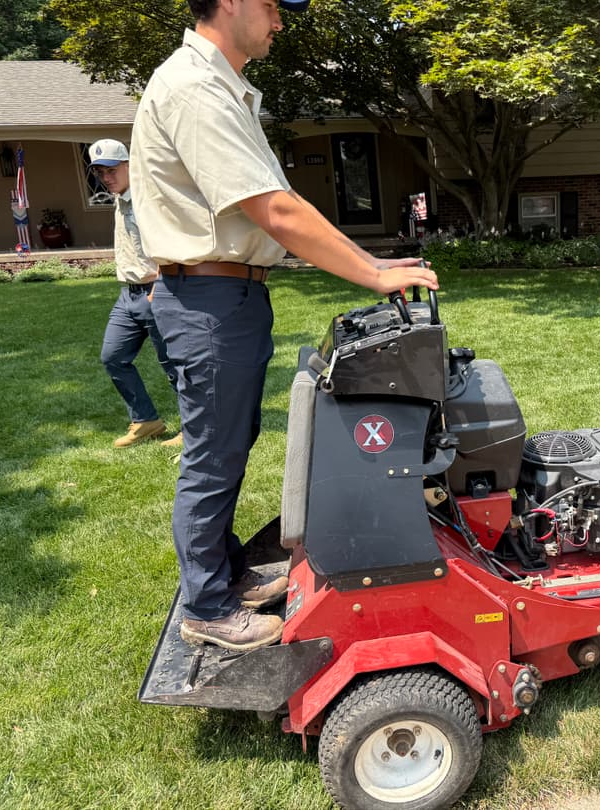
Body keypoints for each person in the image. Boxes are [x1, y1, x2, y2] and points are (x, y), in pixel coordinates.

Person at [130, 0, 438, 653]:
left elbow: (280, 208)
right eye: (273, 6)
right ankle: (209, 606)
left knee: (230, 444)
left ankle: (227, 574)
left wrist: (372, 263)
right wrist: (374, 276)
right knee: (212, 458)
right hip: (207, 298)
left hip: (226, 295)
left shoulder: (222, 88)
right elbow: (274, 209)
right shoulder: (193, 89)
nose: (280, 20)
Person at [89, 139, 182, 449]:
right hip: (127, 297)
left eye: (112, 170)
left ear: (130, 165)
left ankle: (193, 429)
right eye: (101, 172)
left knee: (173, 366)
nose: (106, 177)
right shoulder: (120, 199)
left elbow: (171, 245)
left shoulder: (147, 200)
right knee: (113, 357)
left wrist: (159, 289)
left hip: (156, 292)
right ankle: (146, 420)